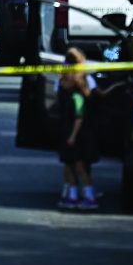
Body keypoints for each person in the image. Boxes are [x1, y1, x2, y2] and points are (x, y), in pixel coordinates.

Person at [57, 47, 99, 210]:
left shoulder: (77, 97)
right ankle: (72, 195)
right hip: (69, 135)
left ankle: (90, 196)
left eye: (65, 80)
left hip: (79, 137)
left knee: (81, 167)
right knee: (70, 165)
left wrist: (73, 136)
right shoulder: (68, 95)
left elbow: (79, 117)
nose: (62, 83)